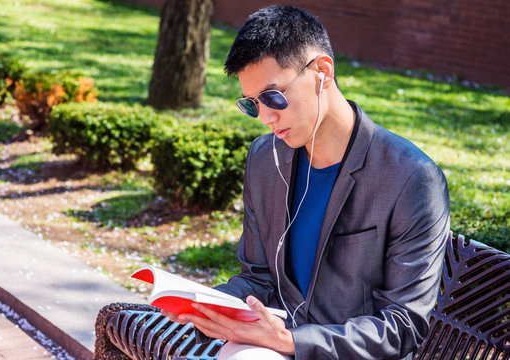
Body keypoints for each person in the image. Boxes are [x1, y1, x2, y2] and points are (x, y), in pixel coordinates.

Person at [163, 5, 450, 359]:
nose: (266, 118)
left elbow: (404, 325)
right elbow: (258, 277)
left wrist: (290, 342)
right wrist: (205, 306)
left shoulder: (412, 178)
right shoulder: (264, 157)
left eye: (273, 96)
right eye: (253, 104)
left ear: (322, 72)